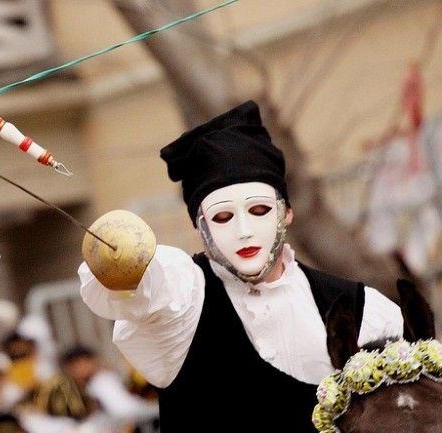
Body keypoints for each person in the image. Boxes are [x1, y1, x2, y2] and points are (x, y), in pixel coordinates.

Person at [78, 100, 404, 432]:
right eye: (222, 217)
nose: (243, 231)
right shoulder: (182, 302)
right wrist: (125, 258)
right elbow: (145, 285)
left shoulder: (362, 307)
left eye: (260, 210)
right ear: (200, 225)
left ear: (287, 213)